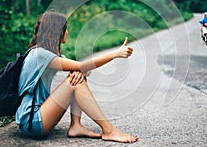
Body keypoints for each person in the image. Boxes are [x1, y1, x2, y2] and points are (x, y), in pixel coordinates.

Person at [15, 11, 138, 143]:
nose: (67, 32)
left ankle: (76, 126)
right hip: (32, 121)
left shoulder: (49, 54)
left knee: (77, 77)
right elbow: (82, 65)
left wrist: (79, 70)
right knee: (75, 82)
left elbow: (85, 70)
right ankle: (109, 130)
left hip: (36, 119)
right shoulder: (40, 54)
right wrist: (114, 54)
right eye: (65, 29)